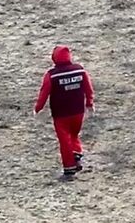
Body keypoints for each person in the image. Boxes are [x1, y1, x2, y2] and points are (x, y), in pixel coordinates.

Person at [34, 46, 95, 180]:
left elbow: (44, 93)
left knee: (64, 140)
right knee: (74, 134)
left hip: (61, 114)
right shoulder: (80, 70)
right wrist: (89, 103)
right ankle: (77, 155)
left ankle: (69, 170)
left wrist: (38, 108)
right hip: (78, 111)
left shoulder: (51, 75)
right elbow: (88, 87)